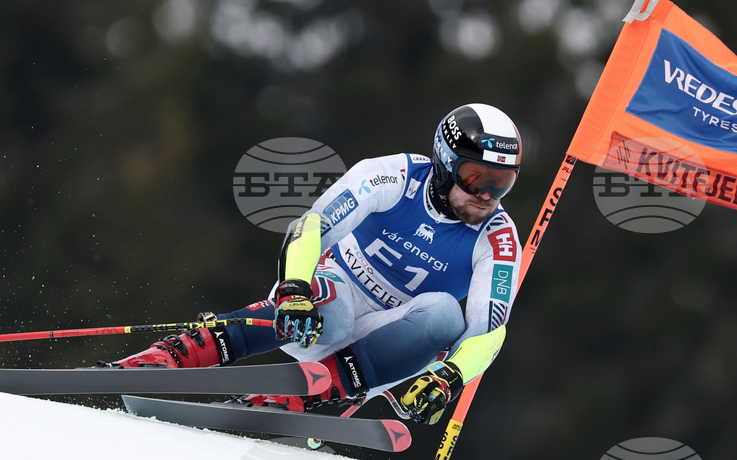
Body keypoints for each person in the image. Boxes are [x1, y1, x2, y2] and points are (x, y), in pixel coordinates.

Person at [113, 103, 524, 426]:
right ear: (445, 163)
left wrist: (451, 377)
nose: (488, 196)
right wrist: (294, 288)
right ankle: (182, 353)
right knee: (336, 315)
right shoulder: (393, 176)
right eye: (477, 178)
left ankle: (305, 394)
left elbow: (488, 334)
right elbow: (311, 226)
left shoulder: (498, 238)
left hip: (388, 345)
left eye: (501, 183)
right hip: (319, 308)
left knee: (446, 315)